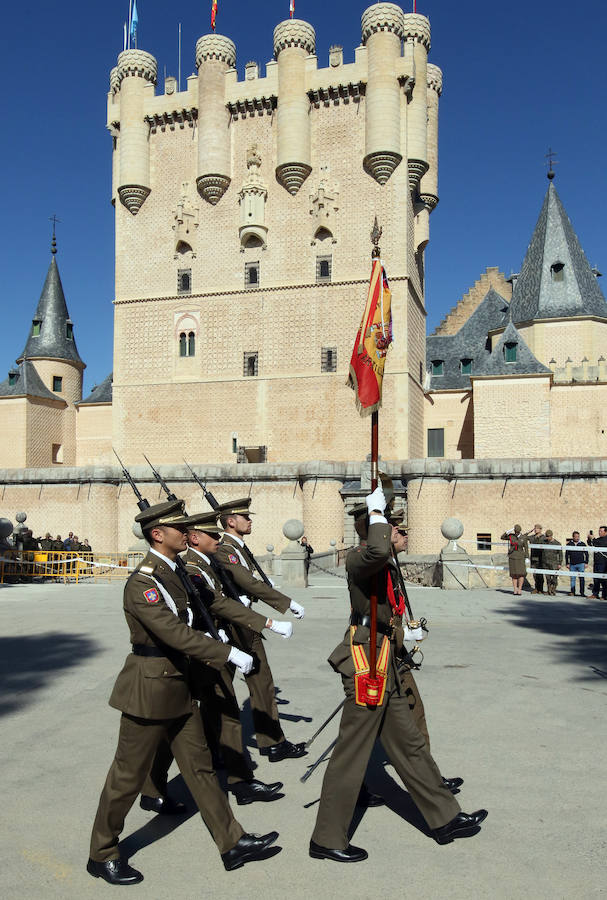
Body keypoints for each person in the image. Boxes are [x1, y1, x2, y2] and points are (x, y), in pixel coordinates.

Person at [87, 499, 279, 885]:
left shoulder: (179, 572)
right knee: (127, 777)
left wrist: (264, 620)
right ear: (158, 534)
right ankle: (102, 852)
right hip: (151, 689)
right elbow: (173, 633)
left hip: (183, 685)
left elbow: (213, 603)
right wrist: (227, 652)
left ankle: (232, 842)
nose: (187, 533)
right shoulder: (144, 582)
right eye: (180, 528)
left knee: (201, 768)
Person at [309, 487, 487, 862]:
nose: (401, 533)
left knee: (409, 743)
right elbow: (374, 551)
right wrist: (376, 513)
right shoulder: (360, 557)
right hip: (365, 663)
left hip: (385, 658)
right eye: (394, 527)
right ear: (376, 529)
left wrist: (404, 633)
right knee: (351, 754)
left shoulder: (384, 562)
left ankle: (445, 818)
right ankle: (326, 838)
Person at [141, 509, 290, 809]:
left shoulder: (191, 567)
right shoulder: (171, 572)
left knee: (220, 715)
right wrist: (221, 644)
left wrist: (267, 622)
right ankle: (153, 787)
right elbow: (181, 619)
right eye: (212, 534)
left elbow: (217, 602)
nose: (219, 538)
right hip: (195, 656)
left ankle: (237, 781)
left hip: (208, 650)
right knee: (184, 723)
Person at [215, 498, 307, 762]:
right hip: (237, 623)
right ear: (231, 521)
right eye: (245, 517)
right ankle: (228, 748)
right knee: (244, 684)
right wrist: (286, 603)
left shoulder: (237, 548)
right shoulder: (227, 550)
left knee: (255, 682)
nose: (250, 520)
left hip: (243, 620)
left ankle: (269, 743)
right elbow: (247, 582)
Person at [389, 520, 463, 791]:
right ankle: (355, 786)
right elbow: (368, 617)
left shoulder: (391, 563)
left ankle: (430, 778)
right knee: (362, 734)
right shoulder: (371, 567)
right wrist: (402, 635)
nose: (406, 536)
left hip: (396, 654)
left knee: (414, 714)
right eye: (400, 532)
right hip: (376, 659)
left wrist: (406, 632)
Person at [501, 525, 529, 595]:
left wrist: (527, 557)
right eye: (515, 531)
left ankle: (519, 589)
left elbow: (526, 548)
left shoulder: (524, 537)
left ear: (520, 531)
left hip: (520, 557)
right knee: (514, 574)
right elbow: (502, 537)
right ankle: (515, 589)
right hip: (512, 557)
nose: (516, 533)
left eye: (518, 532)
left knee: (521, 574)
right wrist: (507, 532)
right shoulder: (511, 536)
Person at [565, 532, 588, 596]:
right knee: (572, 578)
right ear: (573, 537)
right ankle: (572, 592)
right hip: (572, 564)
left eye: (578, 536)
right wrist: (567, 563)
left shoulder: (582, 544)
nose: (577, 538)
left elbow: (586, 554)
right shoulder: (569, 544)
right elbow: (566, 554)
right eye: (576, 536)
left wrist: (586, 562)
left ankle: (582, 592)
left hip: (581, 564)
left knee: (582, 579)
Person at [588, 525, 607, 600]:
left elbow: (600, 543)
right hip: (596, 562)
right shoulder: (598, 539)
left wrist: (593, 539)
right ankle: (595, 594)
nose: (599, 532)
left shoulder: (605, 540)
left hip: (604, 563)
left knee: (603, 580)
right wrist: (589, 538)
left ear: (606, 532)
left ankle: (604, 595)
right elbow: (591, 543)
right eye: (599, 531)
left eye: (601, 531)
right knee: (596, 579)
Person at [541, 530, 562, 595]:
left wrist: (559, 563)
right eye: (546, 536)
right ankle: (549, 590)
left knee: (554, 578)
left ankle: (553, 590)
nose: (547, 538)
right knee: (548, 578)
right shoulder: (544, 542)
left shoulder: (557, 543)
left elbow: (560, 554)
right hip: (545, 562)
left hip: (554, 563)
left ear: (551, 536)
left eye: (548, 537)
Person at [526, 524, 545, 594]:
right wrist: (529, 531)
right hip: (534, 558)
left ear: (540, 529)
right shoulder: (532, 537)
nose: (535, 529)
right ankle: (536, 588)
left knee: (540, 574)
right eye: (535, 528)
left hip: (541, 558)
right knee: (535, 575)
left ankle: (541, 589)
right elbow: (524, 537)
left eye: (537, 528)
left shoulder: (544, 538)